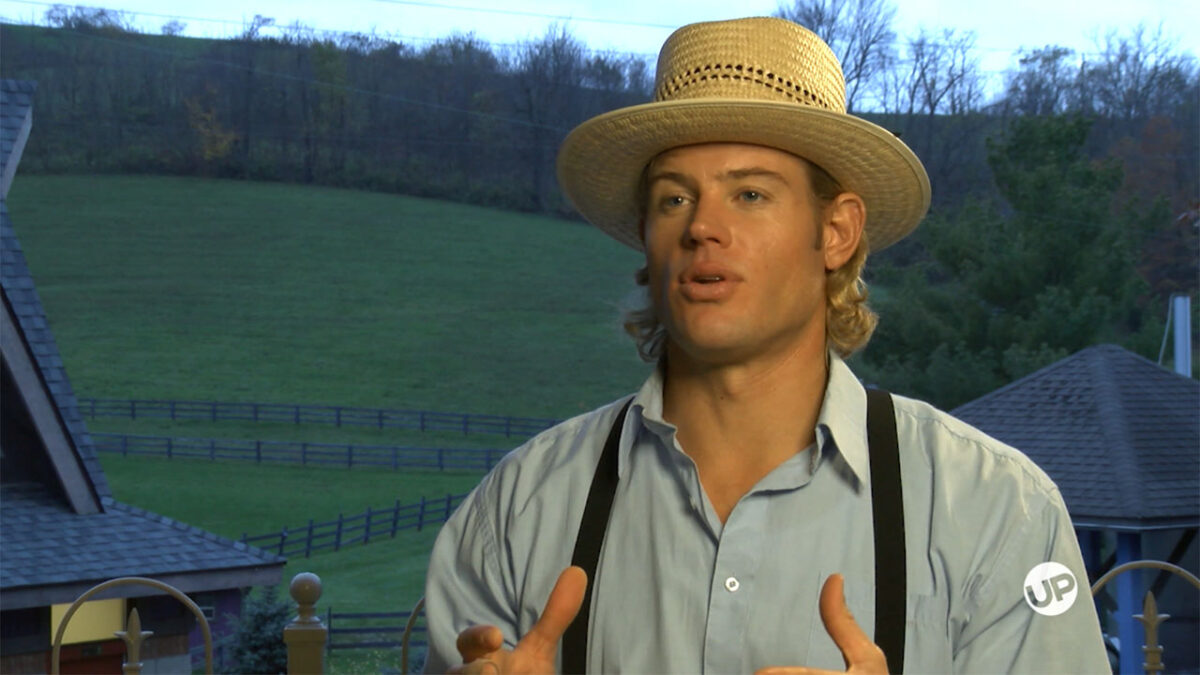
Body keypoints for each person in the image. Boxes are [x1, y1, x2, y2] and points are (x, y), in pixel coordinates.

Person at [422, 16, 1108, 674]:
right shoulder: (518, 509)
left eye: (749, 194)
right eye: (673, 199)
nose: (702, 227)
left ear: (835, 233)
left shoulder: (994, 509)